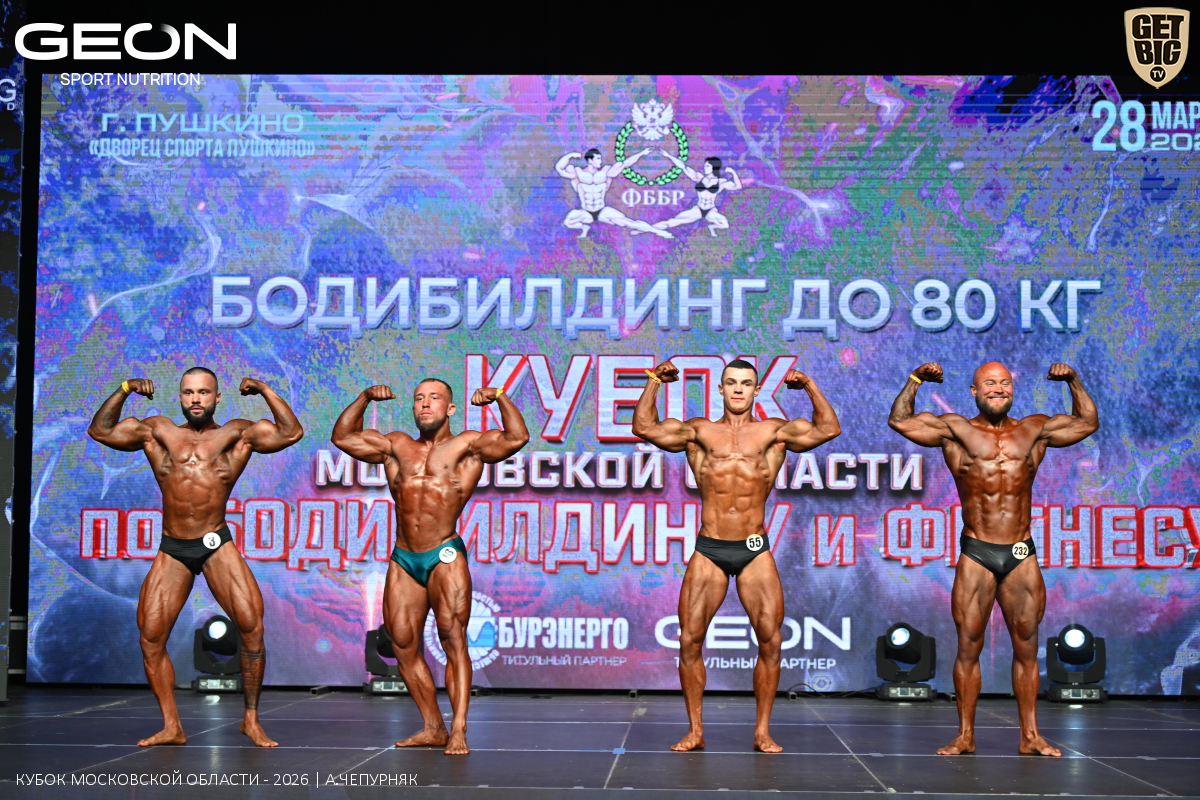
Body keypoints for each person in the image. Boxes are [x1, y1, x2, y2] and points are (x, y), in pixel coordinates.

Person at [888, 361, 1099, 756]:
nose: (998, 389)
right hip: (978, 551)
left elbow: (1087, 422)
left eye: (1004, 383)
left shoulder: (1034, 429)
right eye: (989, 383)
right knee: (968, 646)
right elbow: (900, 420)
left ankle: (1030, 736)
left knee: (1027, 646)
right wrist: (915, 379)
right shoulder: (955, 429)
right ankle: (965, 735)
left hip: (1020, 552)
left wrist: (1073, 379)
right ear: (974, 391)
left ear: (1012, 389)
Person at [86, 368, 304, 747]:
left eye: (203, 392)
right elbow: (100, 431)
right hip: (174, 548)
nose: (196, 399)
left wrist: (265, 389)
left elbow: (290, 432)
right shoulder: (158, 431)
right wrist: (124, 389)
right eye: (189, 393)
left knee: (252, 627)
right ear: (180, 397)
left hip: (215, 543)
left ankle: (251, 720)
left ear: (217, 397)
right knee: (151, 638)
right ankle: (172, 725)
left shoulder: (235, 434)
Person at [632, 359, 840, 752]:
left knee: (771, 641)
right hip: (710, 548)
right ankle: (695, 730)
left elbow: (828, 428)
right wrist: (654, 381)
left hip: (753, 549)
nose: (739, 389)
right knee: (689, 640)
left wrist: (810, 385)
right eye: (731, 383)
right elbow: (644, 427)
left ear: (756, 390)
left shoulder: (773, 432)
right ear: (721, 389)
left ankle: (762, 732)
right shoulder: (699, 432)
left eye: (746, 383)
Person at [331, 378, 529, 754]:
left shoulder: (467, 445)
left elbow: (516, 437)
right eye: (419, 398)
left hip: (444, 554)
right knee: (403, 644)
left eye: (434, 398)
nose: (425, 404)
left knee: (453, 638)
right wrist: (365, 397)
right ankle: (432, 726)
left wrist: (500, 397)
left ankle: (459, 729)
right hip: (404, 557)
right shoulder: (396, 445)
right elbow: (343, 437)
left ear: (450, 409)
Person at [555, 148, 674, 238]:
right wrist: (569, 156)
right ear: (590, 160)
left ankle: (657, 231)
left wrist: (641, 153)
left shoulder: (605, 172)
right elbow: (560, 168)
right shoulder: (578, 173)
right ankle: (584, 227)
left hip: (601, 210)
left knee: (627, 222)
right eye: (597, 159)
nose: (600, 161)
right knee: (568, 222)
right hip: (585, 212)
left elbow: (624, 164)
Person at [647, 154, 741, 236]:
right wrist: (668, 156)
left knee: (725, 224)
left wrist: (733, 173)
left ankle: (712, 227)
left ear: (714, 167)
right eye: (705, 166)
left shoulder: (721, 182)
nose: (705, 168)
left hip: (710, 211)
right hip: (698, 209)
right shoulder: (699, 178)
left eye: (707, 166)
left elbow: (738, 186)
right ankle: (645, 229)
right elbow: (684, 167)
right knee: (672, 222)